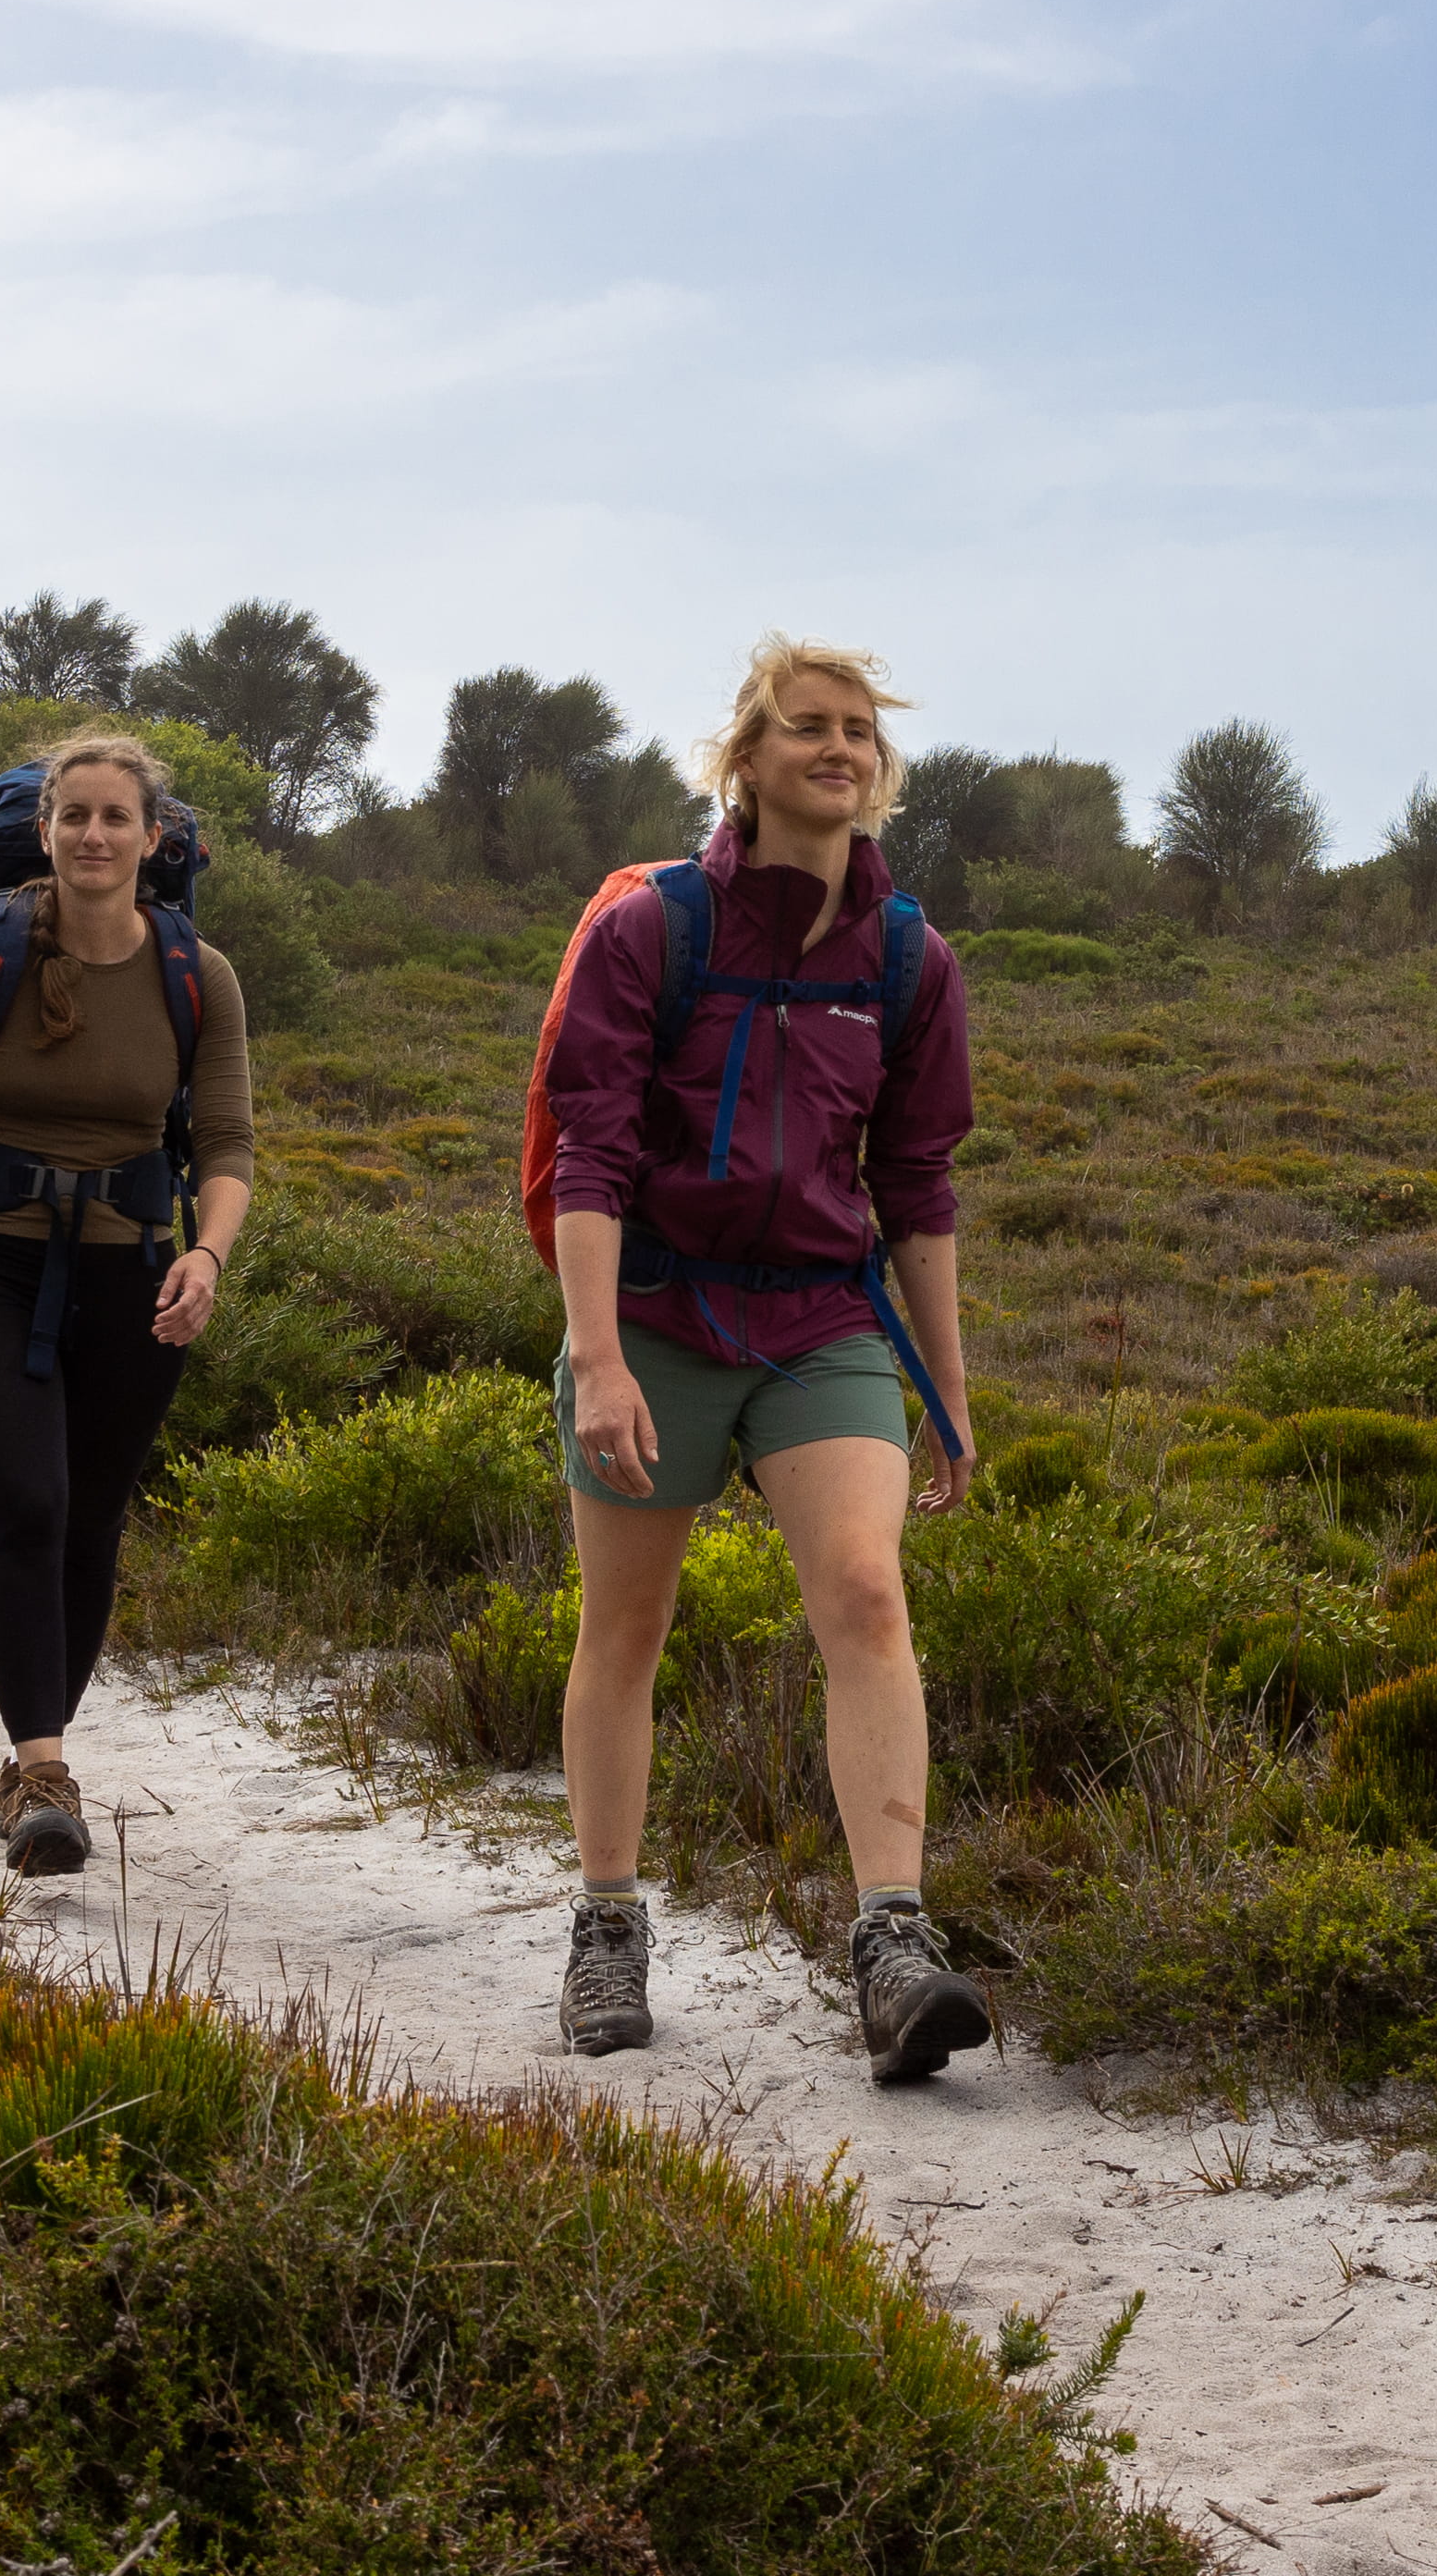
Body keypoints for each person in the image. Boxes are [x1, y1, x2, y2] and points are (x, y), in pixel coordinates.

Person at [535, 635, 989, 2084]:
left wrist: (950, 1401)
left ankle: (895, 1944)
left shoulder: (908, 959)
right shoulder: (652, 930)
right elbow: (594, 1154)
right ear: (745, 759)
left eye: (859, 730)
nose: (839, 749)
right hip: (656, 1314)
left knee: (865, 1594)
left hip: (821, 1320)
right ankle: (608, 1924)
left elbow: (916, 1188)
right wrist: (597, 1357)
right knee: (628, 1628)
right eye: (807, 728)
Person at [0, 731, 253, 1880]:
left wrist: (206, 1258)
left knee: (91, 1526)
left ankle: (29, 1762)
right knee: (28, 1505)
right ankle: (47, 1771)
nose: (93, 836)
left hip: (137, 1279)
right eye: (74, 816)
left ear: (152, 837)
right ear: (45, 831)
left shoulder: (195, 975)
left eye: (116, 818)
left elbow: (224, 1143)